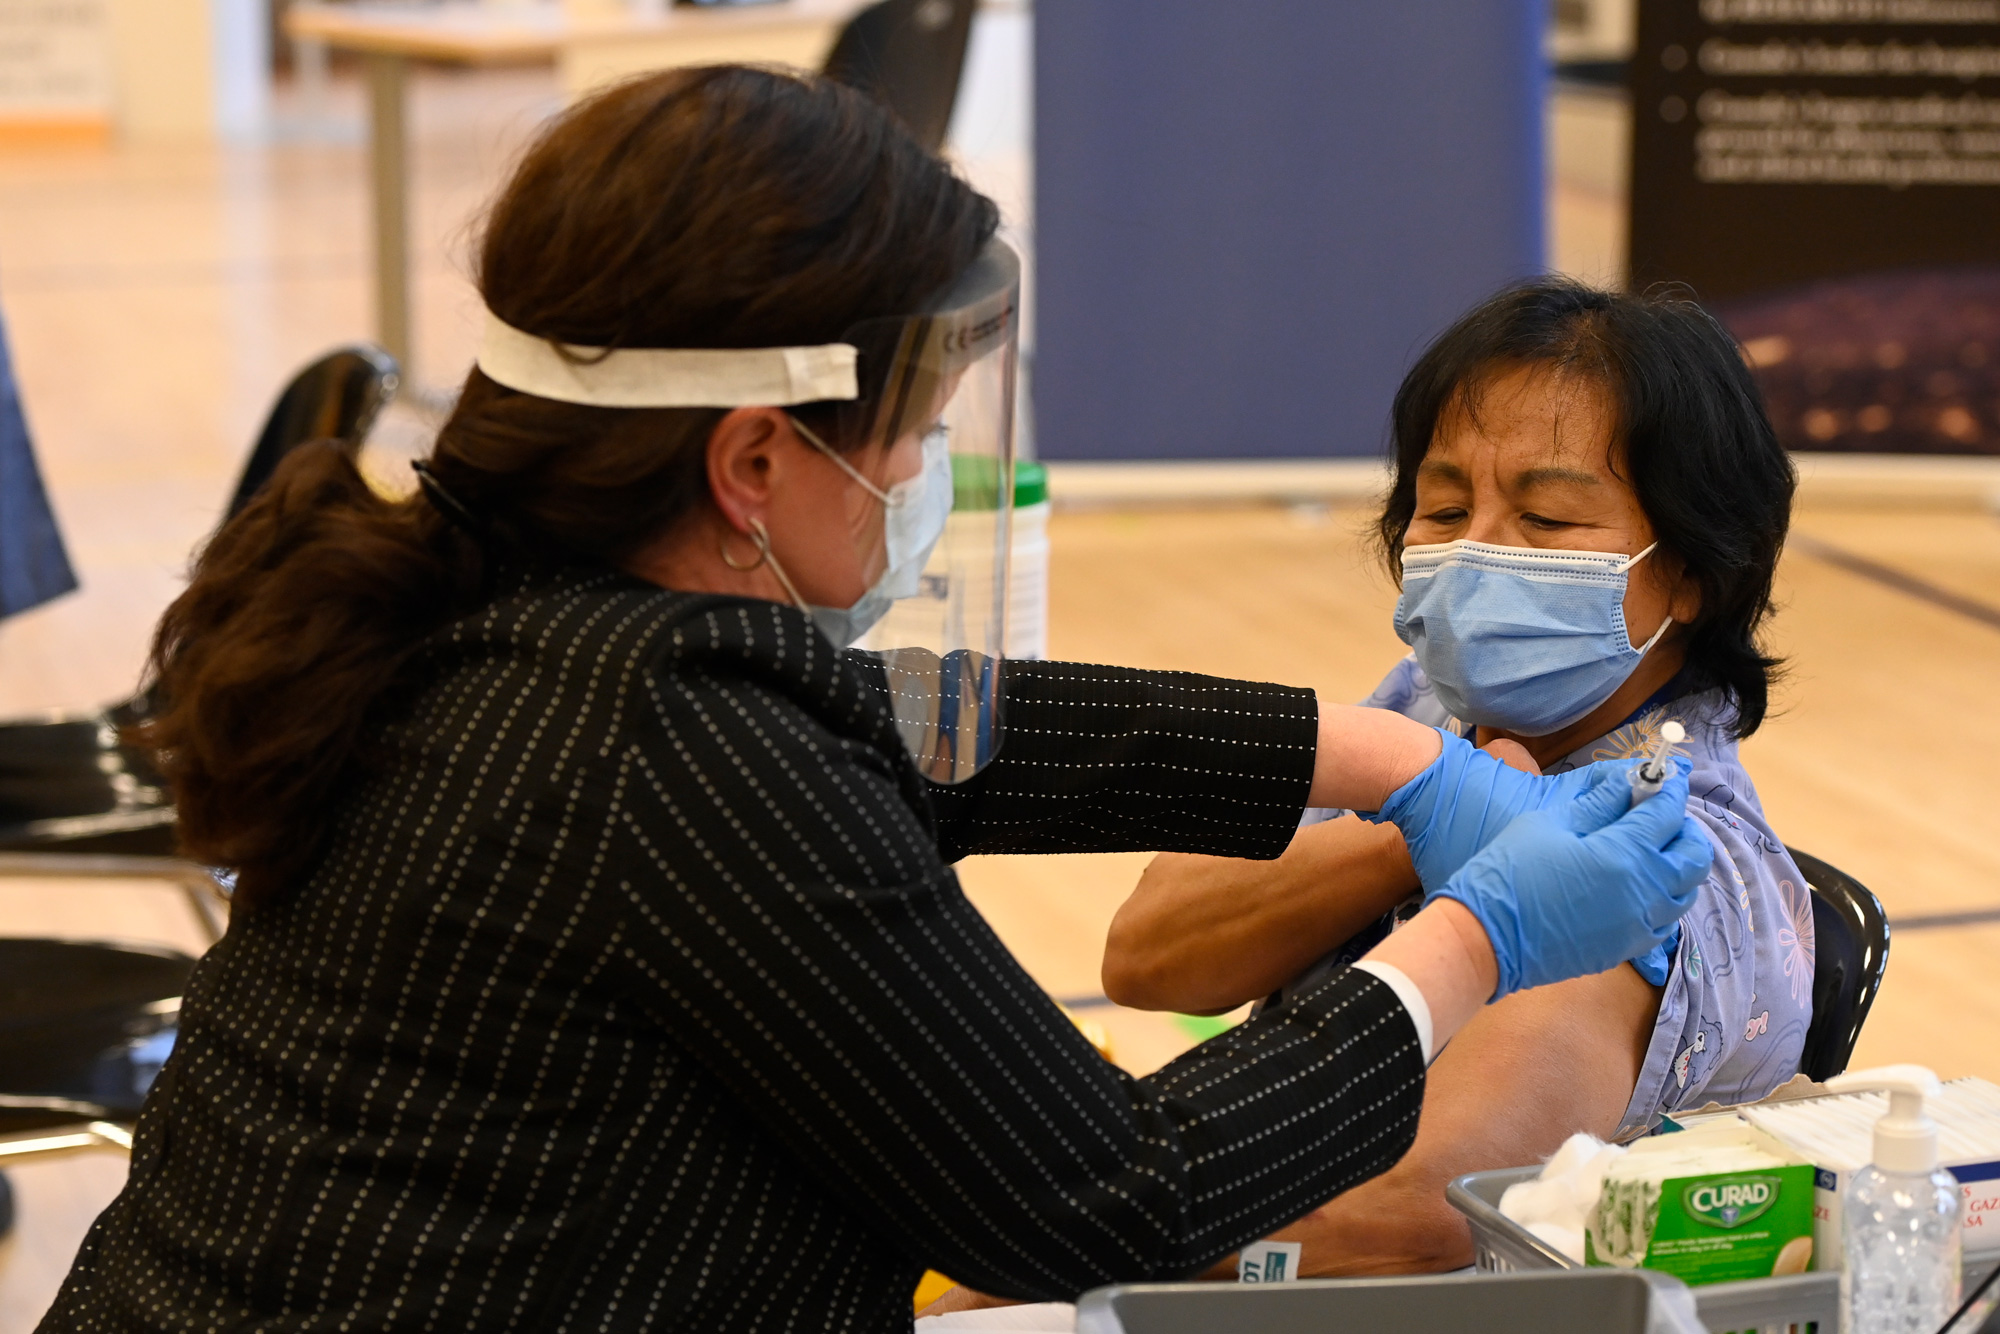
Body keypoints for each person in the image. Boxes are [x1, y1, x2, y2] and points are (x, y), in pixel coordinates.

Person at [35, 73, 1710, 1333]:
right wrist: (1471, 937)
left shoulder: (487, 595)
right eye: (906, 431)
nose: (920, 474)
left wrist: (1394, 755)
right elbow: (1100, 1194)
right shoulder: (672, 753)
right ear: (757, 456)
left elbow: (924, 719)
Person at [1097, 280, 1805, 1278]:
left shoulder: (1653, 848)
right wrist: (1418, 821)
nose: (1474, 548)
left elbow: (1421, 1217)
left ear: (1688, 567)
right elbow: (1149, 951)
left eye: (1547, 516)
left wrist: (1054, 1246)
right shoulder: (1426, 708)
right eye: (1442, 506)